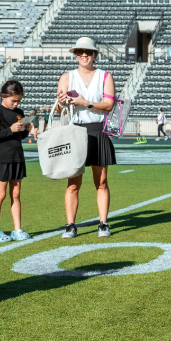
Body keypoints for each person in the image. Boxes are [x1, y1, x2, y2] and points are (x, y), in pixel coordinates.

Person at [54, 37, 116, 238]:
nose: (84, 55)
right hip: (75, 131)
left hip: (98, 130)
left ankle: (103, 224)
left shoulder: (105, 76)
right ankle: (70, 225)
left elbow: (109, 105)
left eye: (88, 52)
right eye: (79, 52)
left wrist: (85, 102)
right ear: (75, 55)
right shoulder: (67, 77)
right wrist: (61, 102)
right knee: (73, 184)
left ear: (95, 54)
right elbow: (59, 109)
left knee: (102, 182)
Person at [0, 80, 33, 242]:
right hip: (2, 159)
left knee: (16, 194)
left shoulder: (19, 112)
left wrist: (26, 131)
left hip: (17, 158)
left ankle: (17, 229)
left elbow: (18, 136)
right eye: (13, 100)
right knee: (0, 195)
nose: (16, 104)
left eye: (18, 101)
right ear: (4, 96)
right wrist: (9, 130)